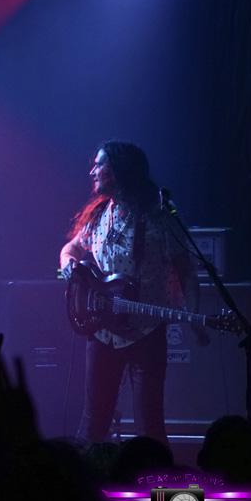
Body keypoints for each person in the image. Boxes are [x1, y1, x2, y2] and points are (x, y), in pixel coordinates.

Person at [59, 140, 206, 446]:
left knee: (150, 426)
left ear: (119, 169)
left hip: (146, 332)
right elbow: (69, 249)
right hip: (102, 331)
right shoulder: (100, 214)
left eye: (99, 165)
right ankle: (83, 476)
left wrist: (195, 318)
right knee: (93, 424)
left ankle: (156, 478)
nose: (92, 171)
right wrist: (69, 267)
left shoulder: (160, 217)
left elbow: (188, 273)